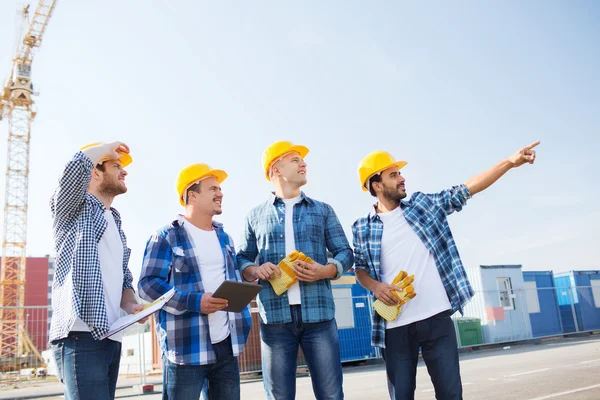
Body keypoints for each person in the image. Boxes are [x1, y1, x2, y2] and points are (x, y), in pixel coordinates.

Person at [352, 142, 540, 400]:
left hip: (437, 318)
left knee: (451, 394)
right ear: (376, 185)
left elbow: (466, 189)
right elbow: (360, 269)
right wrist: (375, 286)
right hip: (395, 327)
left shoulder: (423, 206)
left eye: (399, 173)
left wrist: (509, 162)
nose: (402, 178)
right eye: (393, 175)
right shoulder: (362, 227)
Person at [237, 140, 354, 400]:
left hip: (320, 318)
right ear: (275, 169)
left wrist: (326, 270)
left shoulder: (323, 210)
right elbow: (242, 260)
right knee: (279, 396)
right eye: (295, 160)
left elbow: (345, 252)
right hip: (275, 321)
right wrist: (256, 270)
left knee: (331, 395)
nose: (304, 164)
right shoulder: (254, 216)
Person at [138, 163, 251, 400]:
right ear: (192, 194)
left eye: (220, 188)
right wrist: (193, 301)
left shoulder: (225, 238)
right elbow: (148, 284)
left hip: (227, 346)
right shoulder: (166, 236)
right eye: (213, 188)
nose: (220, 193)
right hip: (186, 348)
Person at [49, 141, 144, 400]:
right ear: (94, 172)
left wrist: (132, 304)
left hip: (111, 334)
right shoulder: (73, 212)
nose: (124, 172)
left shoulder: (114, 220)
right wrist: (107, 147)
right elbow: (72, 171)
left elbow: (123, 276)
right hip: (81, 334)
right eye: (116, 166)